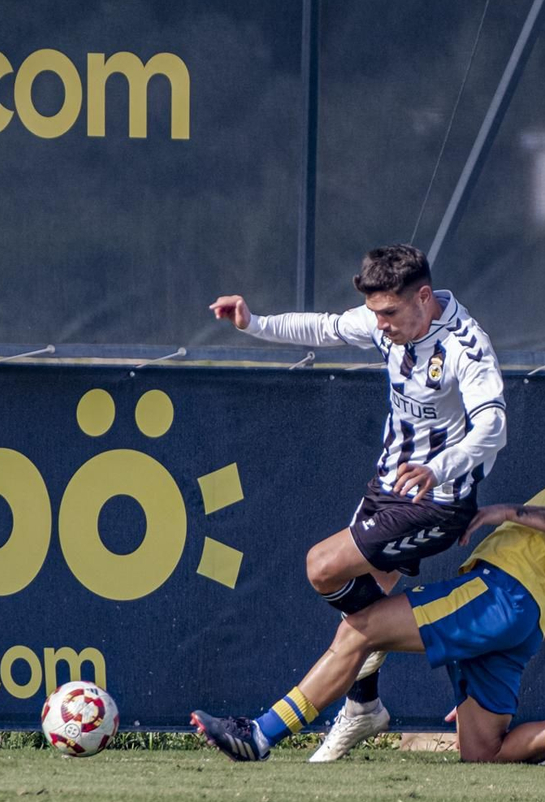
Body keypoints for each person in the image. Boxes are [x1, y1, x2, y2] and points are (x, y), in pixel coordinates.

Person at [190, 424, 545, 768]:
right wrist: (499, 642)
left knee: (359, 629)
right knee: (484, 752)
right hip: (527, 619)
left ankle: (261, 734)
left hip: (502, 591)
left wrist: (507, 512)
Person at [208, 244, 506, 761]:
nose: (381, 325)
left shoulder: (466, 346)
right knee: (359, 620)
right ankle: (359, 706)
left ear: (424, 297)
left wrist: (438, 469)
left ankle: (269, 732)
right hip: (388, 486)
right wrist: (252, 322)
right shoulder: (383, 321)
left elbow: (493, 428)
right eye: (375, 313)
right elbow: (324, 328)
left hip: (436, 500)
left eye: (389, 312)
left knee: (322, 566)